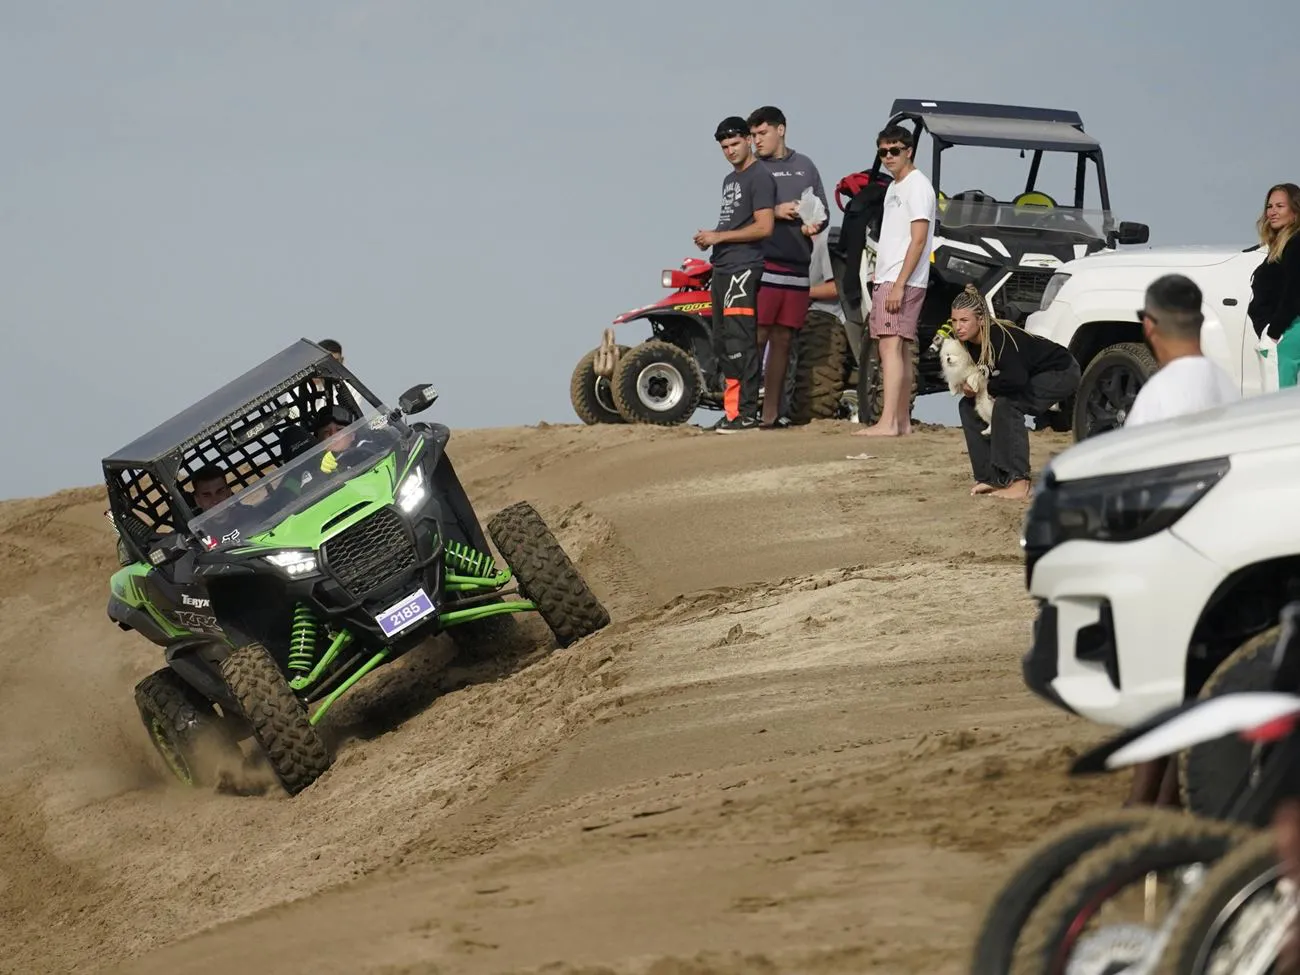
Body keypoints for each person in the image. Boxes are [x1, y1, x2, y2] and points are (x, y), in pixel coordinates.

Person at [1115, 273, 1242, 808]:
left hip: (1171, 556)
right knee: (1190, 687)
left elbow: (1131, 487)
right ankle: (1164, 802)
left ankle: (1142, 808)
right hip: (1224, 557)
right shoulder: (1226, 386)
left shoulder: (1159, 394)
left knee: (1159, 690)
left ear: (1149, 325)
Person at [949, 284, 1080, 500]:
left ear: (981, 320)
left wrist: (986, 387)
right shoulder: (968, 343)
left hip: (1061, 370)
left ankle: (1020, 482)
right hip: (1029, 376)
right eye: (954, 321)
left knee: (1008, 405)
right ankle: (992, 478)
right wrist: (970, 387)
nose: (958, 327)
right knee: (968, 405)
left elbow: (1016, 379)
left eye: (964, 320)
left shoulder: (999, 337)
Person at [693, 116, 777, 434]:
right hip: (723, 266)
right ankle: (732, 412)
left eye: (735, 143)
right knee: (723, 342)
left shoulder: (760, 176)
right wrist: (712, 238)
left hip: (744, 267)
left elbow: (764, 227)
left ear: (748, 140)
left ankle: (748, 413)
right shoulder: (730, 179)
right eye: (724, 147)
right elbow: (735, 223)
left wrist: (720, 237)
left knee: (741, 340)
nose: (730, 151)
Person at [748, 106, 830, 429]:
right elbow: (739, 215)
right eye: (753, 135)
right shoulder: (752, 168)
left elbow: (823, 211)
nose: (756, 141)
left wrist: (815, 224)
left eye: (762, 133)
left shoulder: (805, 165)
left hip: (798, 266)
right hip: (763, 263)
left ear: (780, 130)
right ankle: (742, 411)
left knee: (782, 340)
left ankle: (770, 415)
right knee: (757, 336)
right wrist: (775, 211)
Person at [855, 125, 936, 438]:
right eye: (883, 152)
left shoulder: (918, 186)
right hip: (890, 276)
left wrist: (900, 283)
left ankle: (888, 421)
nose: (888, 157)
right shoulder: (894, 187)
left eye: (895, 151)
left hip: (902, 279)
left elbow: (919, 239)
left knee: (890, 347)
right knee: (897, 348)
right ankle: (900, 421)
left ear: (909, 151)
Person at [777, 227, 845, 424]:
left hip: (824, 317)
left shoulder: (825, 242)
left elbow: (837, 287)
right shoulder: (793, 248)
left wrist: (799, 292)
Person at [1248, 183, 1300, 388]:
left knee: (1277, 397)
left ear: (1295, 210)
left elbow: (1294, 291)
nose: (1272, 212)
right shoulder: (1283, 245)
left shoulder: (1295, 243)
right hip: (1283, 332)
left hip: (1285, 333)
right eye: (1269, 206)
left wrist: (1274, 332)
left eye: (1280, 206)